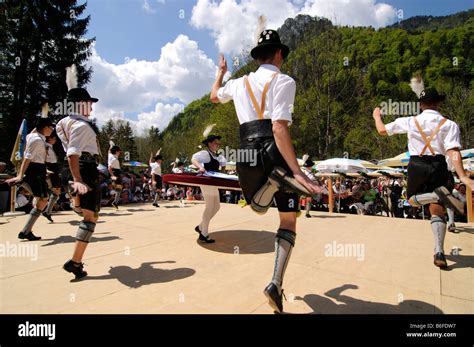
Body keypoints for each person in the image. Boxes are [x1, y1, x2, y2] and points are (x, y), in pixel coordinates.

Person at [210, 28, 319, 313]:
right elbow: (278, 127)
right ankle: (275, 282)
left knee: (257, 207)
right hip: (274, 153)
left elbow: (213, 97)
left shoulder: (239, 83)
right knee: (288, 222)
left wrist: (221, 72)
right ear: (280, 54)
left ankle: (269, 186)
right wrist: (297, 172)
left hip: (245, 152)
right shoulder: (285, 81)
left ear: (258, 57)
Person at [373, 82, 474, 268]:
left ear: (421, 105)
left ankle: (436, 196)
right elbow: (453, 152)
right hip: (438, 165)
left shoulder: (411, 121)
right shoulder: (449, 124)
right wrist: (463, 176)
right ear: (438, 103)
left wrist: (377, 116)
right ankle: (439, 251)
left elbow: (382, 131)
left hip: (417, 164)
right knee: (438, 210)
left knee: (411, 199)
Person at [56, 66, 101, 279]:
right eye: (89, 104)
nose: (91, 108)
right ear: (80, 105)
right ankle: (75, 262)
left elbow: (68, 153)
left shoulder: (61, 123)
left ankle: (76, 203)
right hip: (83, 168)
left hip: (68, 167)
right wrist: (78, 180)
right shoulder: (82, 126)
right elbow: (73, 153)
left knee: (86, 211)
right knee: (91, 217)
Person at [6, 117, 54, 240]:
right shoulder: (37, 140)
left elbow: (34, 131)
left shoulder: (31, 136)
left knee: (42, 200)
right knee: (43, 200)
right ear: (45, 128)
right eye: (51, 127)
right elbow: (27, 159)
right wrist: (20, 175)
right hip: (35, 170)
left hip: (38, 169)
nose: (52, 130)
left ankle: (26, 230)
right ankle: (26, 231)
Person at [191, 134, 227, 243]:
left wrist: (223, 171)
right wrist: (200, 167)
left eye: (218, 143)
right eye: (216, 143)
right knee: (210, 207)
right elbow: (193, 158)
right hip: (207, 182)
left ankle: (201, 227)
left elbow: (223, 164)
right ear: (209, 143)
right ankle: (204, 234)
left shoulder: (217, 155)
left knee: (217, 206)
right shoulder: (205, 154)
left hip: (213, 182)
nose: (218, 145)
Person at [42, 131, 62, 222]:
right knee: (55, 190)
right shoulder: (45, 146)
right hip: (50, 168)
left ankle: (48, 211)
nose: (55, 140)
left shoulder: (50, 147)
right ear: (49, 138)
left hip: (54, 168)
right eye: (54, 138)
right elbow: (42, 158)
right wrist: (46, 170)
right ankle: (47, 211)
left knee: (57, 190)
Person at [108, 145, 122, 209]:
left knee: (117, 188)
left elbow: (109, 152)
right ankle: (115, 202)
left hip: (115, 172)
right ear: (116, 151)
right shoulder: (114, 159)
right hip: (115, 173)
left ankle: (115, 202)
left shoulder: (110, 155)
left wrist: (111, 146)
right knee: (118, 188)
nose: (119, 153)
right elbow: (109, 168)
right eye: (119, 151)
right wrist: (113, 176)